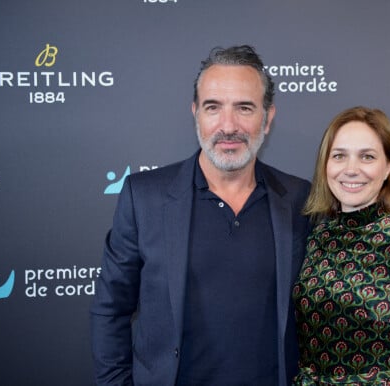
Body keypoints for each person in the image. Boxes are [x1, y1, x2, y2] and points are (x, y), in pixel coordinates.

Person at [90, 45, 311, 386]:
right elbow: (111, 309)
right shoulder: (143, 197)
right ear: (195, 113)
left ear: (267, 119)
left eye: (245, 108)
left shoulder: (300, 199)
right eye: (213, 107)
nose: (228, 125)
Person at [292, 107, 390, 385]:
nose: (351, 170)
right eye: (339, 156)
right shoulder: (317, 238)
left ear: (389, 166)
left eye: (367, 156)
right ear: (325, 165)